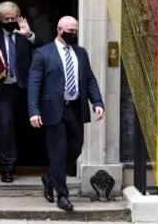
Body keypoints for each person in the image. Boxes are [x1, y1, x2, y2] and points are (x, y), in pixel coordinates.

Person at [27, 16, 105, 211]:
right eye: (71, 31)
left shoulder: (81, 53)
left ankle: (50, 177)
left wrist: (97, 102)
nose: (74, 34)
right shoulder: (43, 53)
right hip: (53, 110)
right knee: (58, 154)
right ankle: (62, 196)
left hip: (75, 108)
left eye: (76, 31)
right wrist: (33, 111)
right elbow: (34, 84)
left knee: (77, 148)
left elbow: (89, 79)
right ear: (59, 30)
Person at [0, 1, 44, 183]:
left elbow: (44, 51)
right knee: (5, 126)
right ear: (0, 19)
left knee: (26, 126)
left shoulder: (25, 34)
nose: (11, 21)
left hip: (25, 89)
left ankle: (33, 161)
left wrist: (30, 36)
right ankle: (7, 166)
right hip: (2, 89)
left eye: (14, 18)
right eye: (7, 19)